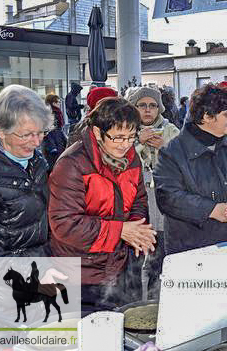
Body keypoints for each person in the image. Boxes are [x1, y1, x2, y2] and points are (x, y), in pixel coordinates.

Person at [48, 97, 154, 314]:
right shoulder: (71, 165)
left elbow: (139, 200)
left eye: (131, 137)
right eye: (118, 137)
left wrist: (136, 229)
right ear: (97, 133)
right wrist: (121, 231)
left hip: (121, 264)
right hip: (81, 273)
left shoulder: (131, 159)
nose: (125, 145)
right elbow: (65, 224)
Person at [154, 84, 227, 253]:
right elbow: (168, 197)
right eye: (225, 114)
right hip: (195, 251)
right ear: (207, 116)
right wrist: (212, 210)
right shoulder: (172, 153)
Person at [0, 85, 51, 256]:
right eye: (27, 135)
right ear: (0, 129)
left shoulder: (38, 161)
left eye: (41, 133)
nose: (37, 143)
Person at [127, 86, 180, 285]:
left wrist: (164, 147)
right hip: (134, 200)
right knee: (136, 254)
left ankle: (156, 293)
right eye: (142, 105)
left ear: (160, 109)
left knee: (160, 251)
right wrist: (138, 143)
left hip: (162, 200)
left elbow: (184, 162)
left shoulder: (171, 130)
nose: (148, 110)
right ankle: (133, 296)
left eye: (153, 105)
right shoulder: (126, 130)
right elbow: (119, 160)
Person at [42, 94, 68, 170]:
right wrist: (52, 146)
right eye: (58, 102)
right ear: (53, 103)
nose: (60, 104)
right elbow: (47, 132)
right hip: (54, 142)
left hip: (57, 139)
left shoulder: (57, 112)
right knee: (55, 162)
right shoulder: (51, 114)